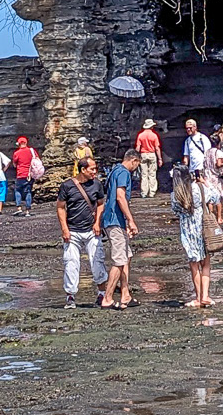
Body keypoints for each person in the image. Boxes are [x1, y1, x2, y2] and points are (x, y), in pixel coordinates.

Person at [57, 157, 107, 307]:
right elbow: (60, 207)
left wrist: (97, 223)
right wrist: (64, 229)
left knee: (97, 262)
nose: (94, 172)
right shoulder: (67, 186)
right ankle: (70, 296)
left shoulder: (97, 184)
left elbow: (100, 204)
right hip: (72, 231)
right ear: (83, 169)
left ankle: (102, 294)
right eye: (92, 169)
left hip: (92, 230)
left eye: (95, 168)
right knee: (71, 264)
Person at [100, 146, 140, 308]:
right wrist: (131, 220)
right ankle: (107, 298)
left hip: (114, 220)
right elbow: (120, 197)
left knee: (126, 256)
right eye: (137, 165)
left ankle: (125, 294)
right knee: (119, 260)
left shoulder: (114, 170)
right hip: (114, 220)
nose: (136, 168)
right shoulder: (123, 173)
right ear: (134, 160)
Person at [170, 162, 212, 309]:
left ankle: (198, 298)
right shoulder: (198, 188)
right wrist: (205, 183)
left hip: (187, 232)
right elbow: (214, 197)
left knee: (194, 265)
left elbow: (175, 211)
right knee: (206, 264)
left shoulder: (175, 195)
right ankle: (205, 296)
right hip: (203, 229)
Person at [134, 119, 164, 198]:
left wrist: (136, 156)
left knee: (144, 174)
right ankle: (152, 192)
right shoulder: (154, 135)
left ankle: (144, 192)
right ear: (151, 127)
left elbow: (138, 147)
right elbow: (157, 148)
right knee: (152, 174)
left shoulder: (140, 135)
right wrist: (160, 158)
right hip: (151, 154)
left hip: (143, 154)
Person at [13, 134, 38, 212]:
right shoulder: (32, 151)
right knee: (28, 191)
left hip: (20, 174)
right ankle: (27, 210)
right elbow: (37, 159)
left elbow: (14, 164)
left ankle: (19, 207)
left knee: (18, 190)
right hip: (30, 174)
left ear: (19, 144)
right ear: (26, 143)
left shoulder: (17, 153)